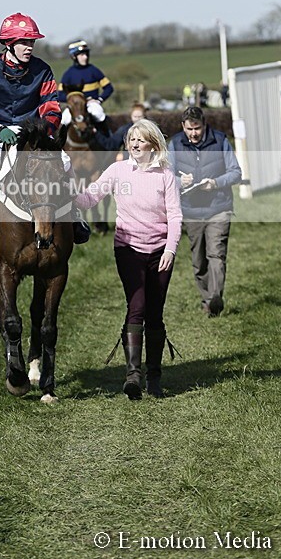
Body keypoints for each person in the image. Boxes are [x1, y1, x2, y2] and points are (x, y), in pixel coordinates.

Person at [76, 119, 182, 399]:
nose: (134, 144)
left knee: (155, 312)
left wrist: (170, 249)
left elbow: (175, 215)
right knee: (137, 306)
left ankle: (155, 376)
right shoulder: (118, 170)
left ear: (153, 144)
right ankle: (133, 375)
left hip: (160, 250)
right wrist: (63, 191)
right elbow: (89, 198)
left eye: (140, 139)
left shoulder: (166, 175)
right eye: (131, 139)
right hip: (128, 248)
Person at [0, 12, 90, 254]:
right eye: (24, 42)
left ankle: (74, 216)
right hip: (0, 132)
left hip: (35, 133)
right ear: (8, 44)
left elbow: (52, 110)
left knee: (65, 163)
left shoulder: (42, 70)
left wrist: (43, 132)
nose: (30, 47)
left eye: (32, 41)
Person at [167, 106, 242, 318]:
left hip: (219, 208)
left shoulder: (220, 141)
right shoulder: (175, 144)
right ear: (183, 127)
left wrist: (216, 183)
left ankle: (215, 299)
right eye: (189, 129)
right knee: (199, 261)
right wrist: (181, 181)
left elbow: (236, 172)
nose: (193, 133)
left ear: (204, 125)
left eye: (197, 128)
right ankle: (207, 299)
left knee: (216, 253)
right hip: (190, 210)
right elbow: (167, 176)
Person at [58, 40, 114, 134]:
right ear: (74, 57)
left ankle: (108, 138)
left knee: (98, 114)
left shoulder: (94, 70)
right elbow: (60, 95)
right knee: (64, 120)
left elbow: (109, 88)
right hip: (75, 107)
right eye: (82, 55)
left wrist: (99, 99)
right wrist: (73, 101)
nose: (86, 57)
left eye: (86, 54)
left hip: (91, 104)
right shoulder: (68, 74)